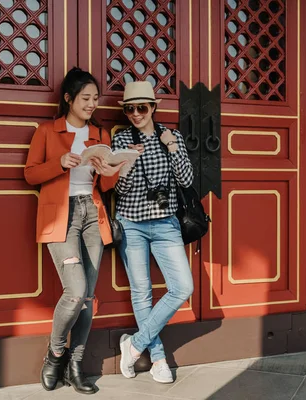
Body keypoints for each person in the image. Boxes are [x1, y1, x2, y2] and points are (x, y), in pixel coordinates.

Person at [24, 67, 124, 395]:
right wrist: (60, 163)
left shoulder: (101, 133)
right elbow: (30, 175)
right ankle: (55, 355)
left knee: (89, 297)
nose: (92, 103)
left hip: (92, 215)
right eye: (85, 98)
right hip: (61, 216)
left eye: (95, 98)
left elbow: (107, 185)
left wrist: (110, 169)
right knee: (76, 290)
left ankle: (75, 364)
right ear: (68, 99)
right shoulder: (46, 132)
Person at [112, 81, 194, 384]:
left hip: (166, 225)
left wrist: (171, 145)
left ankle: (133, 345)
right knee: (141, 292)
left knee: (183, 288)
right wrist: (129, 162)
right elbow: (119, 189)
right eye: (129, 108)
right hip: (132, 224)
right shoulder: (121, 140)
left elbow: (186, 179)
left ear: (153, 108)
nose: (135, 113)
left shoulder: (172, 136)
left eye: (141, 108)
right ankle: (157, 357)